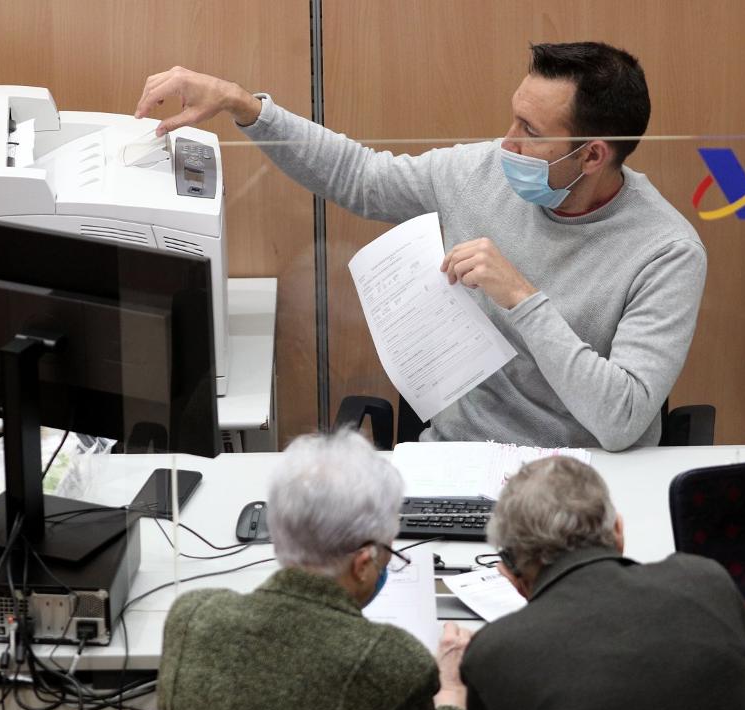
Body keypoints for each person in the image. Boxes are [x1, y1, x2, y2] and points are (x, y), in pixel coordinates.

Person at [136, 42, 706, 451]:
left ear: (593, 156)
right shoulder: (483, 171)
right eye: (513, 118)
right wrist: (245, 105)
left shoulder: (666, 251)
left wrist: (523, 299)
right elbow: (360, 176)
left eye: (531, 132)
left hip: (583, 478)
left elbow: (622, 418)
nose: (505, 142)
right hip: (458, 460)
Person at [154, 430, 471, 710]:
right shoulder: (393, 662)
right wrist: (452, 691)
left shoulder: (191, 615)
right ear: (363, 564)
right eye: (389, 549)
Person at [455, 456, 745, 710]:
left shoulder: (495, 653)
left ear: (511, 575)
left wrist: (450, 697)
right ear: (618, 531)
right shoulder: (706, 582)